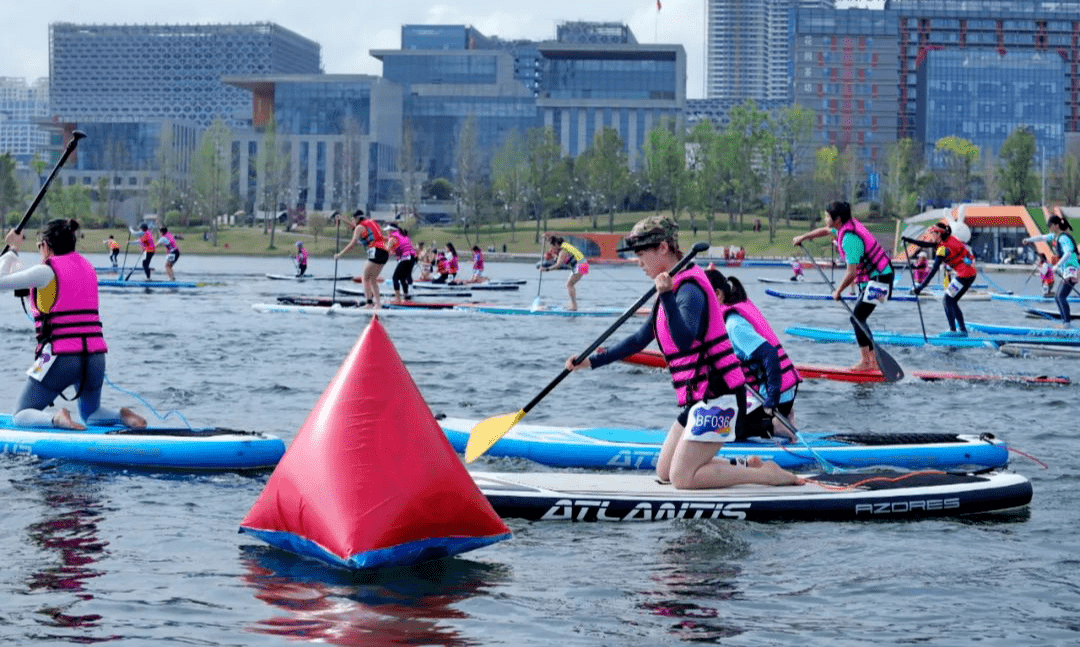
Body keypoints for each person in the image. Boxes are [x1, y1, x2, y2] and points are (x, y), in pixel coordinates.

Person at [565, 216, 803, 490]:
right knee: (665, 472)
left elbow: (685, 342)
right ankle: (750, 464)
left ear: (663, 248)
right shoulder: (672, 286)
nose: (638, 262)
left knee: (682, 479)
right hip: (699, 398)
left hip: (719, 396)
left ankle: (767, 475)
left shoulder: (688, 289)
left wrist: (666, 294)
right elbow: (639, 339)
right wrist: (591, 361)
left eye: (642, 254)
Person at [0, 219, 147, 430]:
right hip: (95, 357)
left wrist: (12, 249)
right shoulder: (88, 268)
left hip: (60, 357)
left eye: (39, 246)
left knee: (20, 414)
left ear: (46, 245)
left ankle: (56, 419)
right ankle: (120, 415)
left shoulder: (45, 271)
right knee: (91, 413)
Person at [793, 201, 894, 371]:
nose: (825, 219)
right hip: (877, 278)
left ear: (837, 219)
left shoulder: (850, 239)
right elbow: (825, 231)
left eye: (827, 216)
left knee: (857, 318)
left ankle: (867, 362)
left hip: (881, 281)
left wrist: (838, 291)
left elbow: (851, 273)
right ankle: (871, 360)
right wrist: (803, 237)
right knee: (859, 318)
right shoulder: (845, 227)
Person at [706, 267, 800, 442]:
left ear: (718, 295)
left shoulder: (734, 325)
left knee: (723, 428)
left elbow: (770, 355)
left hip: (776, 397)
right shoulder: (732, 310)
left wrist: (771, 401)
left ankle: (775, 425)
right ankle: (780, 417)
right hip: (776, 391)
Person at [904, 221, 977, 336]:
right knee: (952, 301)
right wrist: (909, 241)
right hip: (968, 273)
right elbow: (926, 244)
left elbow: (933, 271)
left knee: (947, 300)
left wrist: (921, 287)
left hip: (965, 275)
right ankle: (962, 330)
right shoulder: (947, 240)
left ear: (939, 235)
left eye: (933, 233)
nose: (931, 236)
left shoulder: (943, 249)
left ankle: (954, 331)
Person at [1023, 214, 1079, 325]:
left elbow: (1068, 254)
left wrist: (1057, 266)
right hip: (1067, 270)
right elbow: (1042, 238)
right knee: (1058, 297)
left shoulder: (1063, 238)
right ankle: (1065, 323)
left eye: (1050, 225)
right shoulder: (1055, 236)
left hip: (1072, 269)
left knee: (1060, 296)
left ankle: (1067, 324)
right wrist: (1029, 240)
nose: (1049, 227)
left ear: (1057, 225)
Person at [335, 209, 388, 309]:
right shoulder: (370, 223)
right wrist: (342, 219)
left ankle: (369, 303)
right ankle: (378, 305)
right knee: (372, 279)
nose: (352, 221)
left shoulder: (360, 227)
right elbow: (355, 226)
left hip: (376, 251)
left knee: (365, 277)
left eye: (353, 219)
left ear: (358, 218)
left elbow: (352, 244)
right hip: (384, 252)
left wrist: (339, 254)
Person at [543, 235, 589, 311]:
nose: (552, 249)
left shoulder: (563, 251)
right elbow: (553, 240)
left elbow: (558, 265)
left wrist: (546, 269)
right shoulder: (564, 245)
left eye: (552, 246)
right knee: (570, 285)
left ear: (556, 244)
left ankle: (574, 306)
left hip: (581, 266)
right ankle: (572, 305)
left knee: (569, 285)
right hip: (580, 265)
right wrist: (546, 238)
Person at [385, 224, 416, 302]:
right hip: (412, 259)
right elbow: (398, 250)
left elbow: (387, 251)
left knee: (395, 278)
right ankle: (406, 297)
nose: (386, 232)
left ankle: (397, 298)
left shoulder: (392, 238)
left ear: (391, 230)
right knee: (402, 278)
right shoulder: (403, 235)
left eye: (387, 230)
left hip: (406, 259)